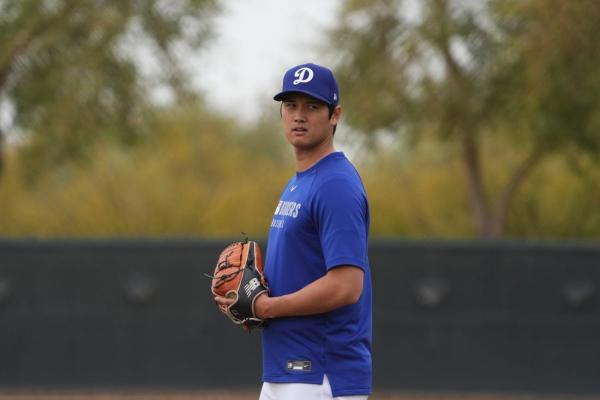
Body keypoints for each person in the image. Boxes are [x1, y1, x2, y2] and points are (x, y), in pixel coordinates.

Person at [217, 62, 372, 400]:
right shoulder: (300, 183)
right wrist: (252, 297)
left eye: (312, 106)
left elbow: (347, 285)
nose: (299, 115)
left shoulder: (336, 184)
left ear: (335, 115)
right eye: (291, 105)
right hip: (287, 369)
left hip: (320, 372)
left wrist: (267, 307)